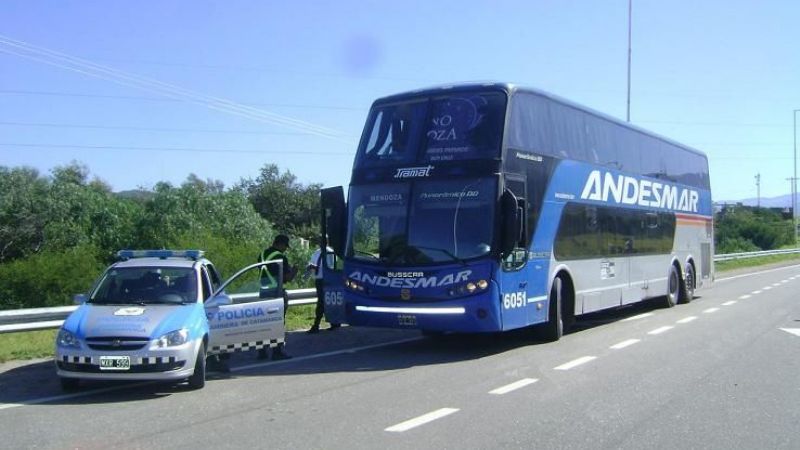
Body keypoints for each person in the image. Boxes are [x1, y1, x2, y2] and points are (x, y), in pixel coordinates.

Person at [257, 234, 296, 360]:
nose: (285, 249)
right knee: (278, 323)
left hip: (263, 292)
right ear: (280, 244)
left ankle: (262, 351)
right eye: (285, 246)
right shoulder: (280, 257)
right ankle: (277, 352)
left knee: (263, 323)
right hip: (276, 292)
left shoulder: (262, 255)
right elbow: (287, 278)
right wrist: (294, 270)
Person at [306, 244, 340, 334]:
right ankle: (334, 322)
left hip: (326, 279)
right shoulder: (317, 252)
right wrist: (310, 266)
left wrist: (317, 267)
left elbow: (331, 266)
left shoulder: (329, 252)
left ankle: (317, 324)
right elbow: (312, 262)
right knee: (323, 301)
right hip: (318, 279)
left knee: (322, 301)